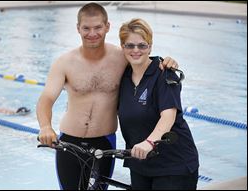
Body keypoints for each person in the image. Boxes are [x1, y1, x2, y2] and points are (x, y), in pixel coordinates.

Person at [37, 3, 179, 190]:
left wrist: (167, 61)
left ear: (107, 27)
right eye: (86, 28)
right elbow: (46, 99)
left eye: (97, 27)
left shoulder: (121, 57)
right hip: (69, 142)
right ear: (78, 28)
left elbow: (144, 59)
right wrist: (45, 127)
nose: (92, 33)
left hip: (104, 144)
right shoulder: (64, 63)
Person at [117, 18, 199, 190]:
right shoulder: (122, 77)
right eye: (130, 45)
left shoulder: (165, 74)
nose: (136, 50)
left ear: (150, 46)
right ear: (122, 47)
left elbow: (168, 116)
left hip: (174, 166)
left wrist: (150, 142)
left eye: (142, 45)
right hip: (140, 164)